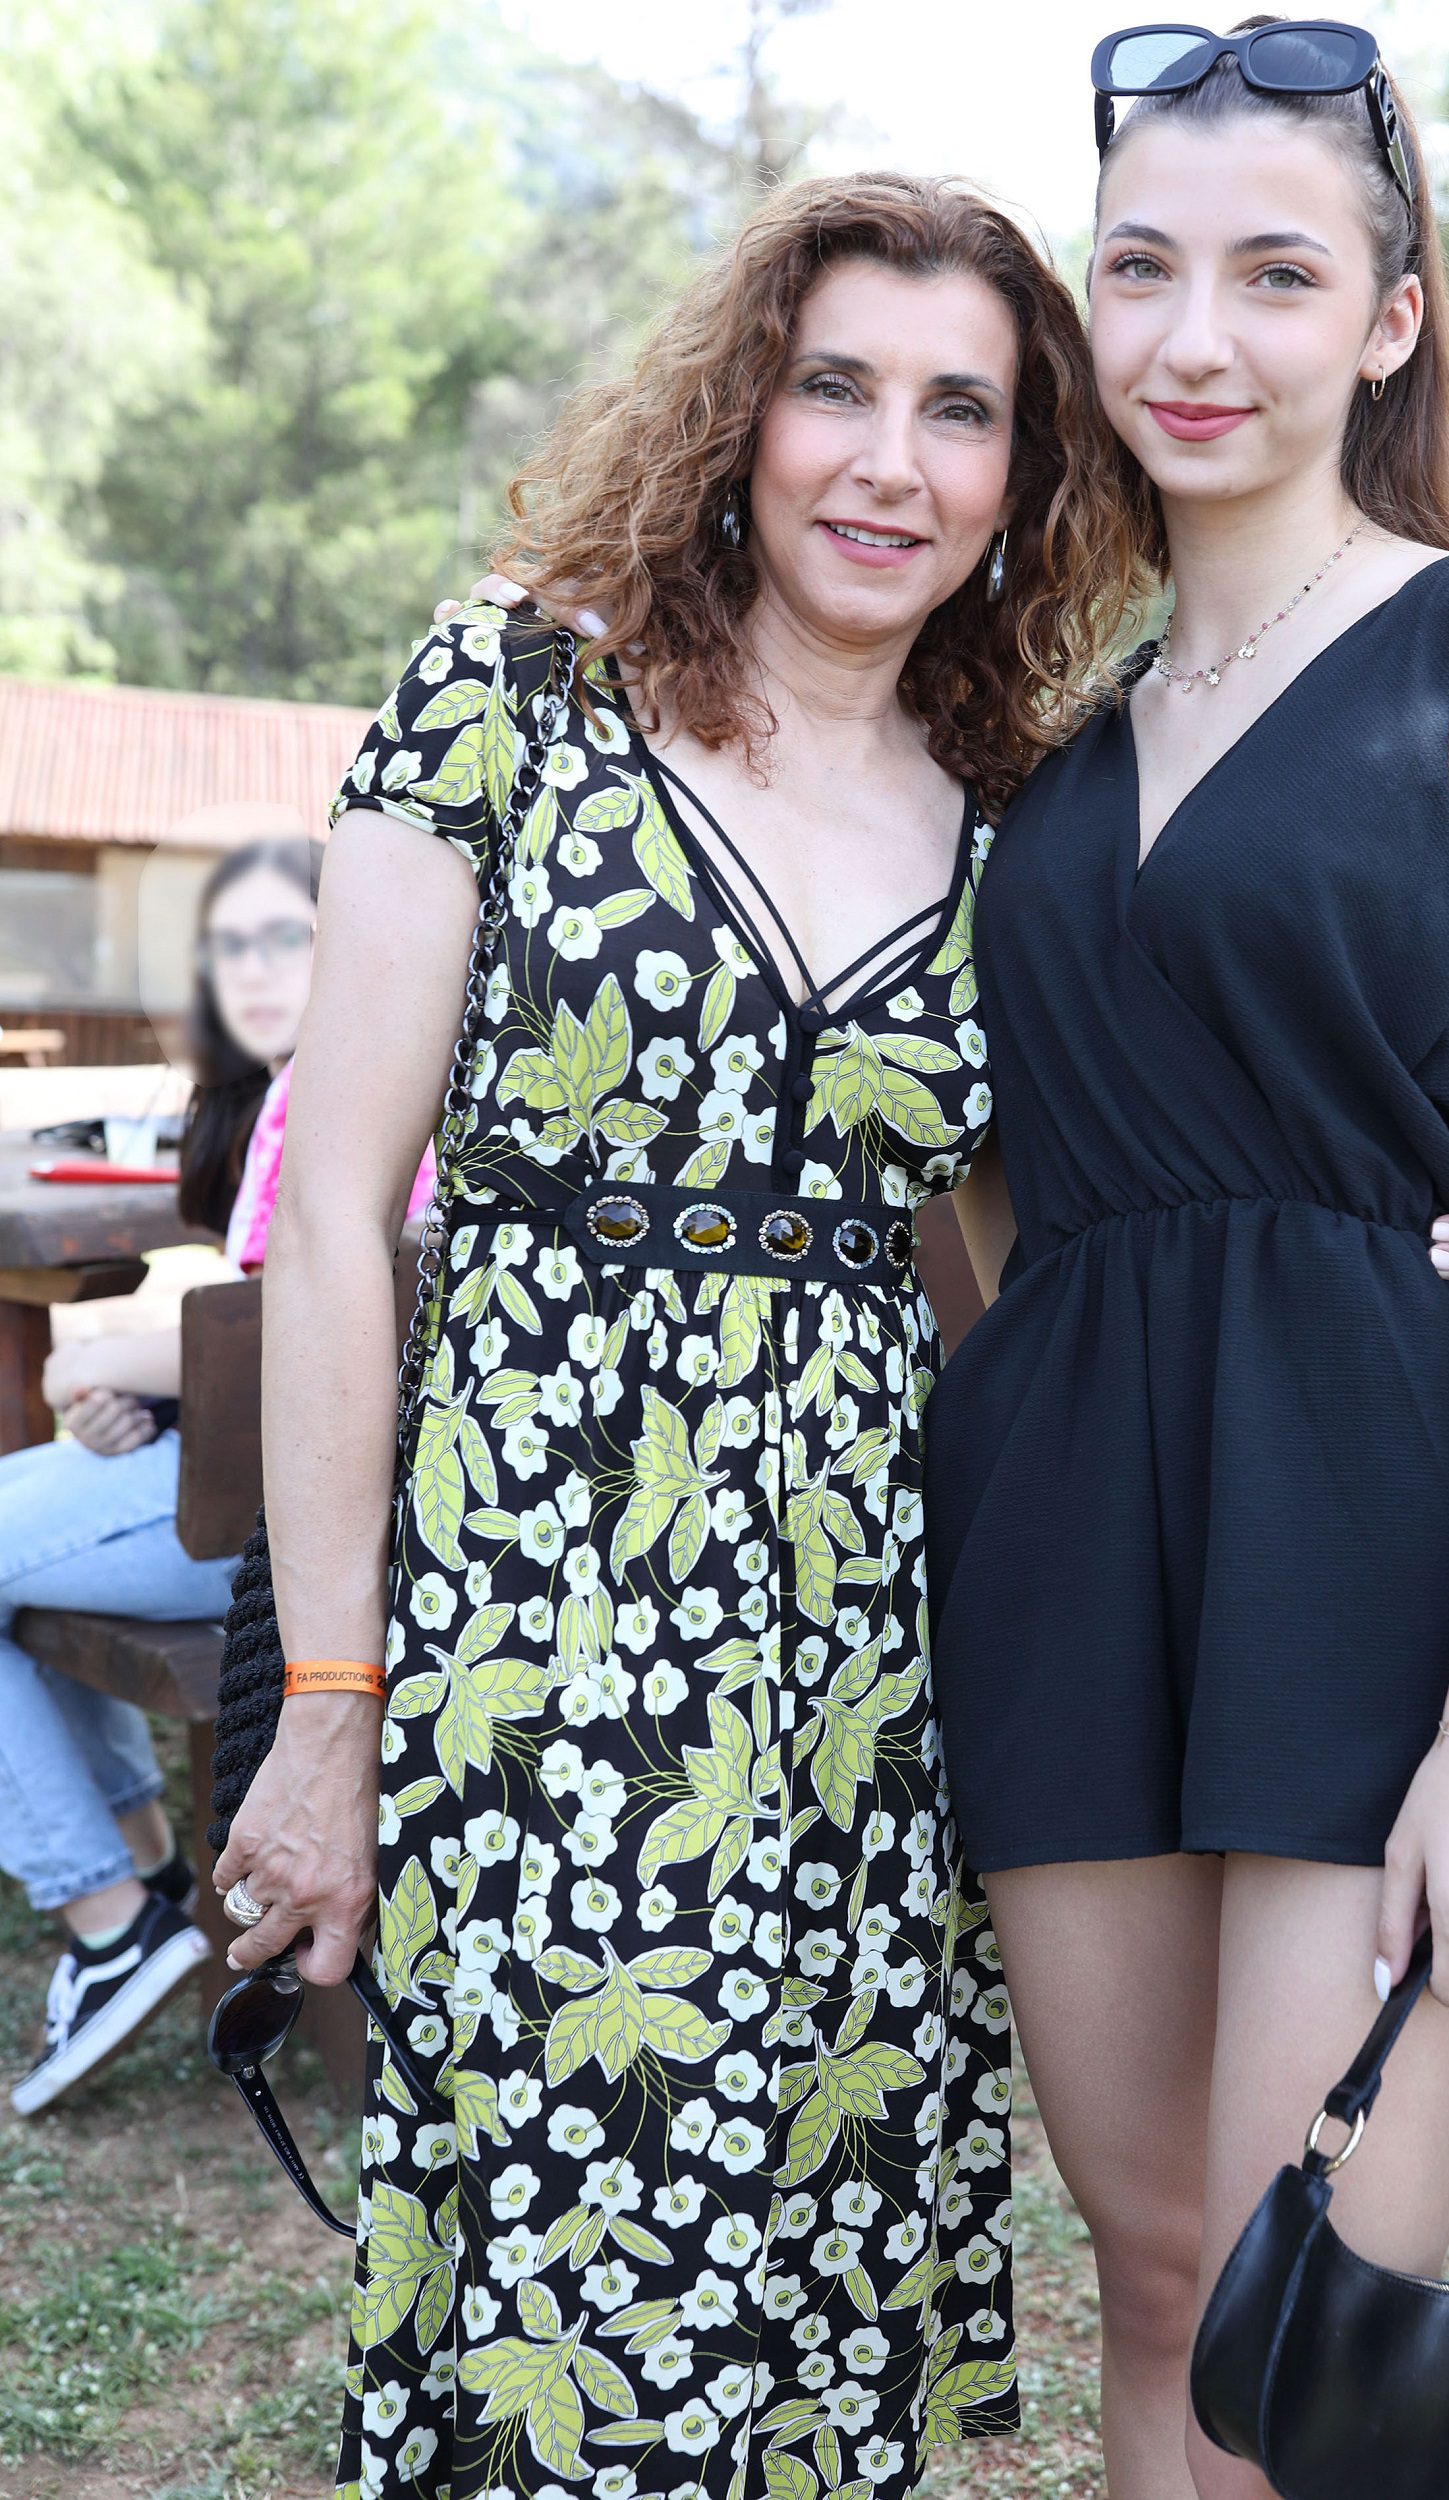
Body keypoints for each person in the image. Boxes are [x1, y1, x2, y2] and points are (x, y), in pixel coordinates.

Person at [211, 174, 1155, 2500]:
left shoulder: (1019, 816)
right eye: (836, 387)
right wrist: (330, 1703)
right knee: (573, 2304)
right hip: (542, 1640)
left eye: (960, 410)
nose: (887, 462)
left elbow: (1083, 1253)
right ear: (744, 408)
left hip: (867, 1676)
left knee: (814, 2309)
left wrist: (1414, 1237)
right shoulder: (505, 698)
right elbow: (329, 1218)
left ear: (1025, 471)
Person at [919, 23, 1449, 2500]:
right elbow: (979, 1166)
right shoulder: (1047, 730)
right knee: (1145, 2273)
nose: (1192, 334)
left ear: (1390, 319)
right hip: (1066, 1535)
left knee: (1286, 2317)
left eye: (1274, 274)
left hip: (1359, 1516)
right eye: (1139, 268)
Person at [0, 836, 418, 2117]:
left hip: (283, 1527)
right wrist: (142, 1385)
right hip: (226, 1473)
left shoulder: (399, 1093)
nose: (252, 968)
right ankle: (141, 1876)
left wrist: (98, 1360)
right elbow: (246, 1340)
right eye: (226, 944)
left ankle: (110, 1916)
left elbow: (345, 1314)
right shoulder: (280, 1098)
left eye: (286, 935)